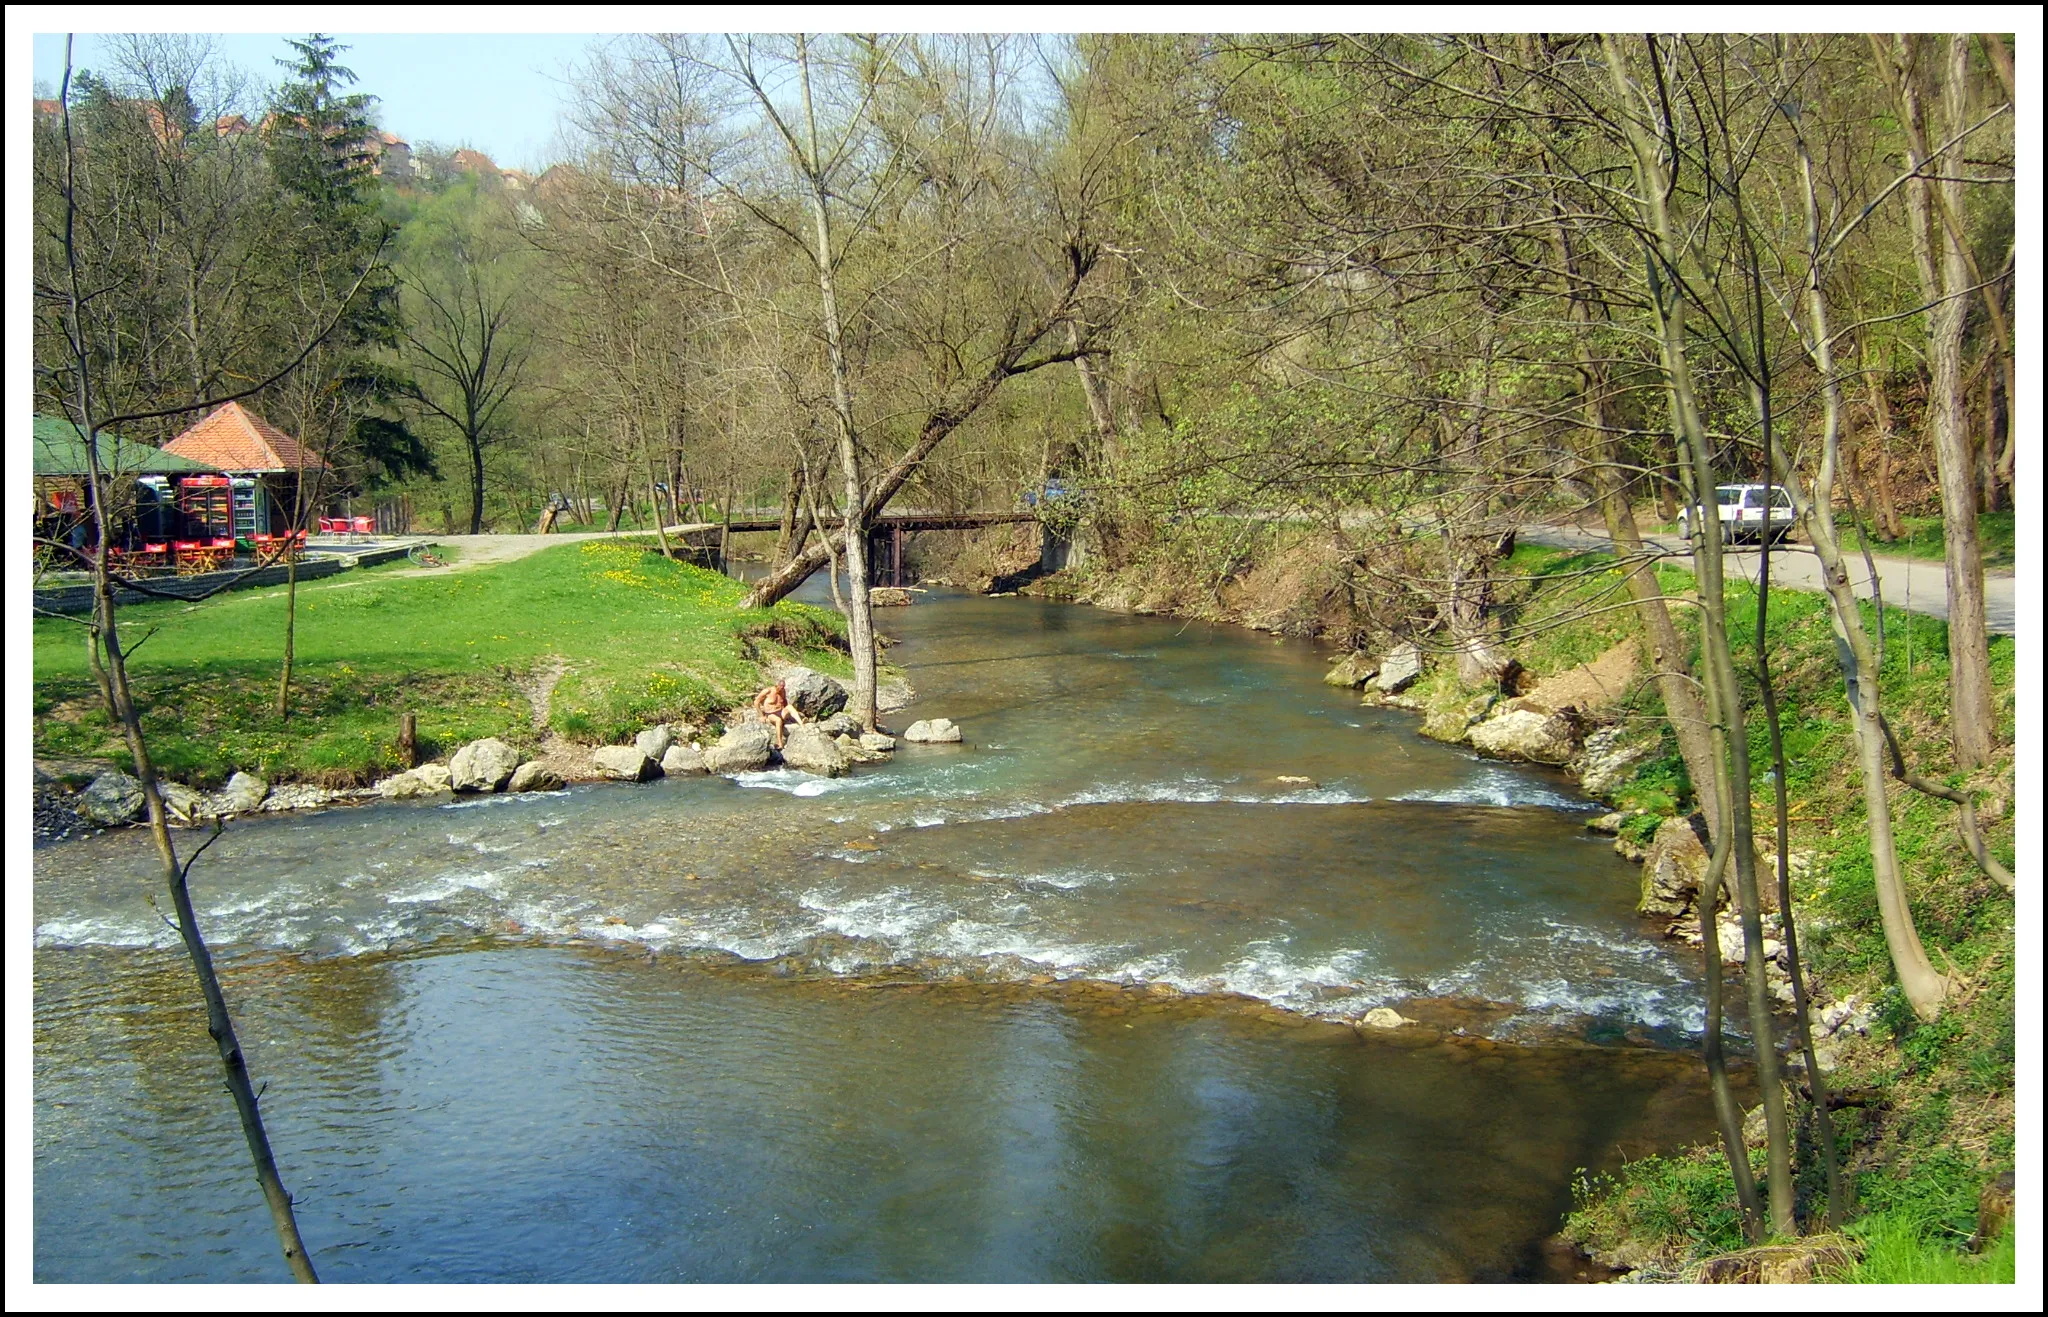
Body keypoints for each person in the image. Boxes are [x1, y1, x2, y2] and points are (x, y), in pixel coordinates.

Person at [753, 679, 804, 749]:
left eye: (783, 687)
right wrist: (761, 716)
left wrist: (787, 710)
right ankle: (779, 743)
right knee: (778, 720)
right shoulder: (768, 691)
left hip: (780, 711)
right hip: (770, 714)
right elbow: (756, 702)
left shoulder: (783, 691)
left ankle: (802, 724)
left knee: (790, 707)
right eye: (780, 686)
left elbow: (785, 702)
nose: (781, 688)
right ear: (777, 685)